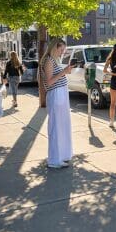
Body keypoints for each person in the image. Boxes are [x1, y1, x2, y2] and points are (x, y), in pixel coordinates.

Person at [40, 38, 73, 168]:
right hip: (55, 94)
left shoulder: (54, 60)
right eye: (61, 49)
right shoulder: (48, 60)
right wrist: (64, 72)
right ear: (55, 48)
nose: (62, 52)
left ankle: (61, 156)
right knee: (56, 128)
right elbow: (49, 82)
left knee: (62, 126)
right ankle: (54, 159)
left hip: (61, 94)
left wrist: (64, 71)